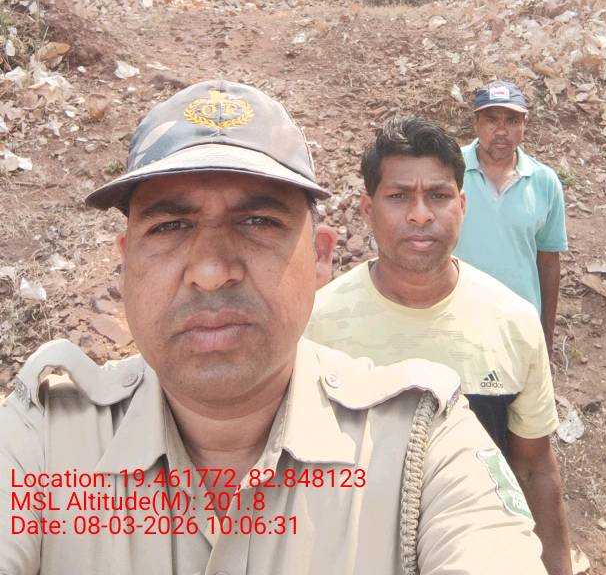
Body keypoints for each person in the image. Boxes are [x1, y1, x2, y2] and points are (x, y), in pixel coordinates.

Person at [0, 80, 547, 575]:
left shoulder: (421, 445)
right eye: (171, 226)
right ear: (126, 265)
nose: (211, 271)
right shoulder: (42, 438)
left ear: (320, 257)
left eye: (258, 222)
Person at [307, 116, 572, 575]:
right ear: (368, 210)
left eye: (438, 195)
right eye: (398, 196)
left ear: (462, 205)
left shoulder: (514, 322)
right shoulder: (317, 325)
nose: (420, 214)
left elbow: (533, 467)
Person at [453, 80, 568, 352]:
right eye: (491, 120)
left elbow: (549, 262)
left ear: (524, 124)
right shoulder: (449, 169)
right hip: (456, 321)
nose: (502, 131)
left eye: (512, 121)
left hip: (518, 326)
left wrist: (546, 334)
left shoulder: (544, 181)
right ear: (476, 122)